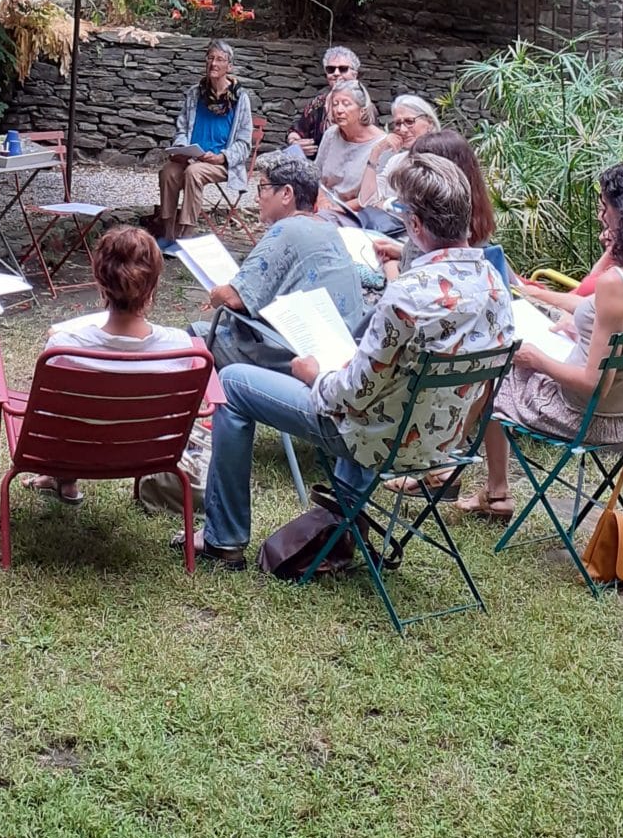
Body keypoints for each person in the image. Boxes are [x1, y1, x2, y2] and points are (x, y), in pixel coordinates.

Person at [191, 152, 516, 566]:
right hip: (444, 443)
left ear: (414, 226)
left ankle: (224, 538)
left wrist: (315, 375)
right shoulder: (493, 282)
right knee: (379, 386)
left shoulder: (409, 294)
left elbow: (352, 395)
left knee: (236, 382)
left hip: (377, 437)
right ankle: (340, 526)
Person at [462, 161, 623, 521]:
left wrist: (537, 360)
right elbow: (593, 310)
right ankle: (476, 484)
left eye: (605, 207)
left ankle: (465, 479)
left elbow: (592, 385)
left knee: (494, 366)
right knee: (512, 352)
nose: (601, 216)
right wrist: (530, 294)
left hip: (585, 417)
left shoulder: (619, 284)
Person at [27, 226, 196, 503]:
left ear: (99, 279)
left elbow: (53, 412)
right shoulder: (180, 347)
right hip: (148, 452)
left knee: (76, 417)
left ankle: (61, 474)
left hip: (71, 450)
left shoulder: (63, 348)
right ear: (153, 283)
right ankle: (62, 480)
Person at [191, 155, 369, 371]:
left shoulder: (288, 229)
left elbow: (233, 298)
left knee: (195, 336)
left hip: (300, 358)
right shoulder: (327, 228)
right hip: (339, 353)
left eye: (262, 188)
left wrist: (216, 293)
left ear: (286, 193)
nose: (257, 198)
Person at [156, 39, 254, 241]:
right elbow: (181, 127)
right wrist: (182, 149)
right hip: (192, 158)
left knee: (194, 172)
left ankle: (187, 232)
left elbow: (245, 143)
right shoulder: (195, 93)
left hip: (219, 162)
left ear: (229, 66)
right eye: (210, 58)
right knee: (168, 172)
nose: (214, 64)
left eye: (220, 59)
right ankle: (168, 232)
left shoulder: (240, 98)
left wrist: (223, 157)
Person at [380, 128, 497, 277]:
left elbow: (406, 290)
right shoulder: (476, 221)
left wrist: (389, 265)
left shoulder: (425, 229)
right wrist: (401, 251)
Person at [314, 82, 398, 229]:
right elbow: (316, 175)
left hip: (356, 215)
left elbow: (372, 198)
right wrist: (321, 199)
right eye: (335, 104)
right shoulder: (331, 134)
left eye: (346, 104)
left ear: (362, 110)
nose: (339, 110)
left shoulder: (382, 146)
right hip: (322, 206)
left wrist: (335, 210)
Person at [286, 47, 360, 158]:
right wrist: (295, 143)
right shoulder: (318, 103)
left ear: (355, 74)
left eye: (343, 69)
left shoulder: (364, 105)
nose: (336, 73)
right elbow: (297, 130)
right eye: (331, 69)